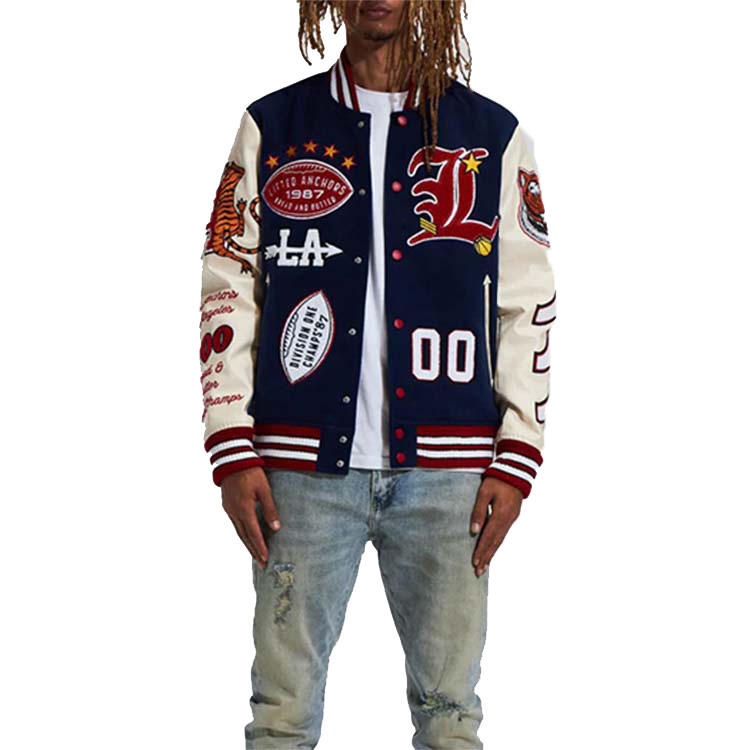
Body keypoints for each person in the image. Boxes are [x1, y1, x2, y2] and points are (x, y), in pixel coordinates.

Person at [198, 1, 556, 747]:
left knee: (451, 718)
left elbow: (527, 303)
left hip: (451, 474)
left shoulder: (492, 134)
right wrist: (230, 442)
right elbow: (228, 282)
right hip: (297, 471)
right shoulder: (273, 126)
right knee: (281, 717)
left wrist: (518, 451)